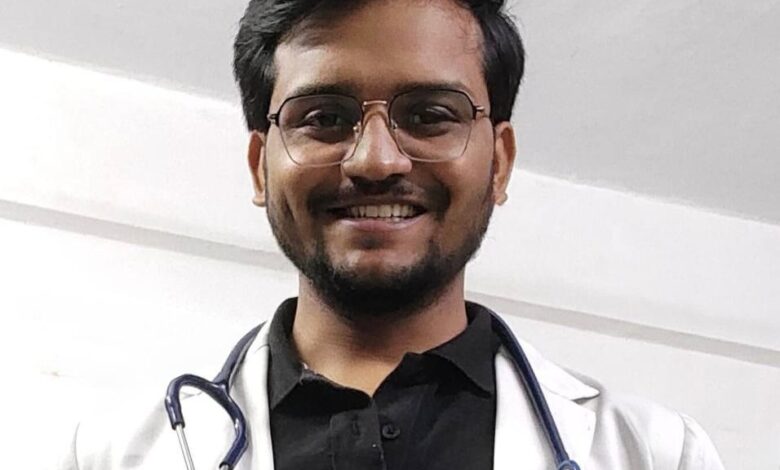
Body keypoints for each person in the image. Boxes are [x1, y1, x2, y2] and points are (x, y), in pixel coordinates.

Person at [59, 0, 725, 468]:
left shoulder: (656, 455)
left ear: (500, 163)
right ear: (260, 165)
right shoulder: (115, 456)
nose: (376, 160)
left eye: (430, 115)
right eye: (324, 117)